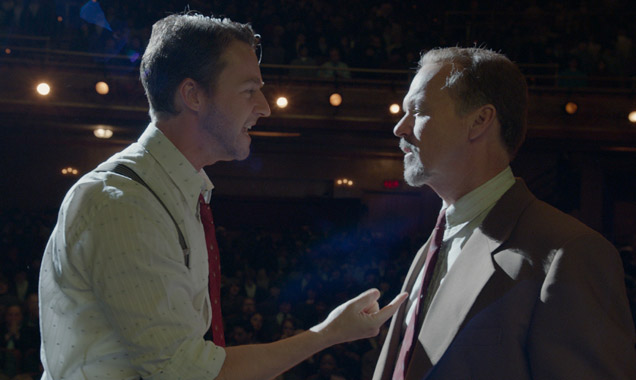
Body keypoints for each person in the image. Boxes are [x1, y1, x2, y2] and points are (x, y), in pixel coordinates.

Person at [39, 13, 406, 380]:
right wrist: (328, 334)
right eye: (249, 91)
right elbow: (189, 374)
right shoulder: (122, 203)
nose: (264, 106)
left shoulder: (176, 191)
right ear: (193, 95)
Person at [373, 47, 636, 380]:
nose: (400, 128)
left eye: (418, 110)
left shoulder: (569, 252)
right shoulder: (434, 243)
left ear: (480, 121)